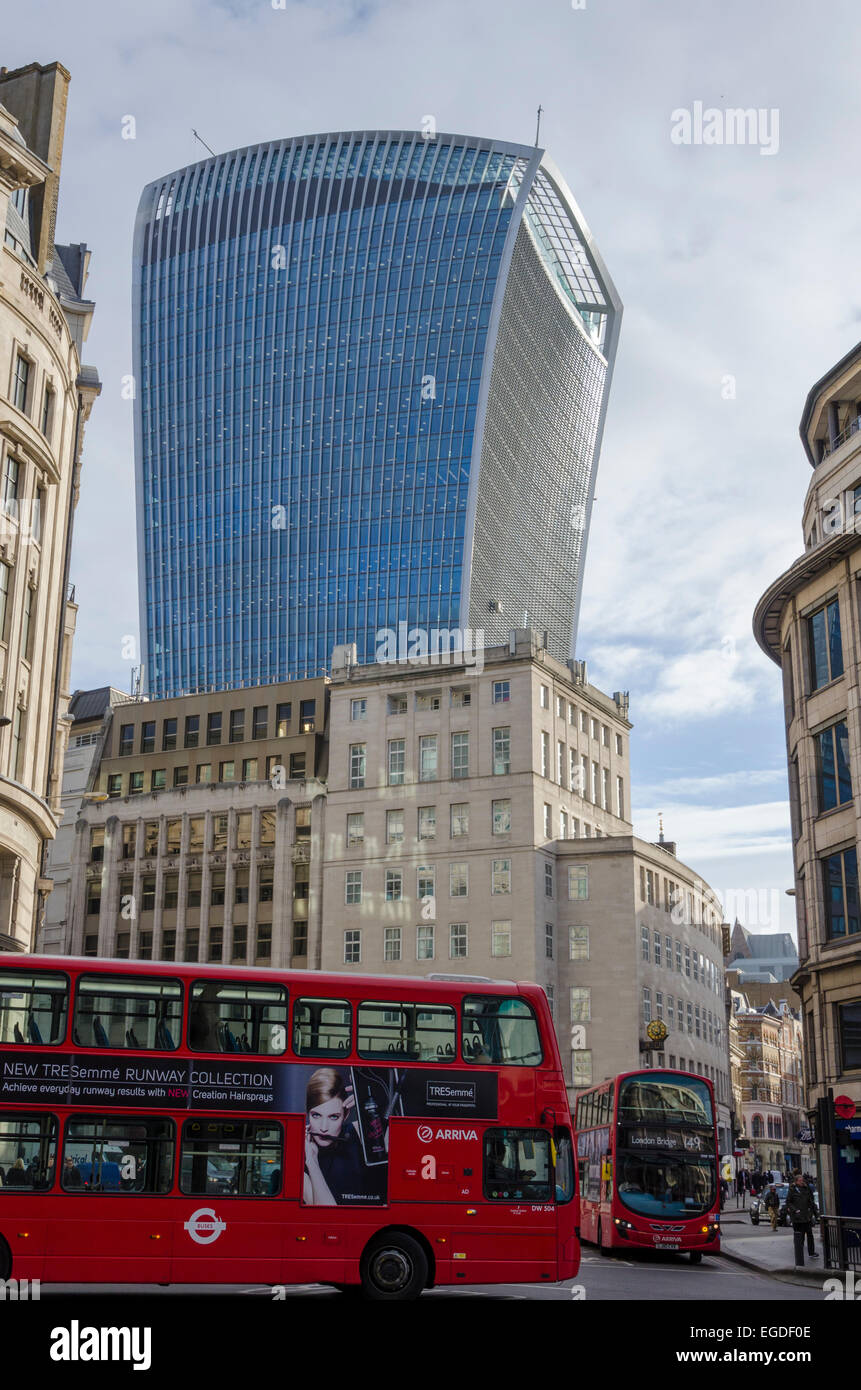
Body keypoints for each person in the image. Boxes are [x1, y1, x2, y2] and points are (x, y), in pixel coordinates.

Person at [302, 1068, 385, 1207]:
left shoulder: (361, 1131)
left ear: (345, 1115)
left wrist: (373, 1104)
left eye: (333, 1117)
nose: (323, 1128)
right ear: (308, 1113)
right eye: (316, 1115)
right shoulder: (301, 1156)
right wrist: (311, 1161)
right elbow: (325, 1214)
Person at [786, 1171, 817, 1266]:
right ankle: (799, 1253)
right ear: (796, 1181)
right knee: (800, 1236)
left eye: (802, 1180)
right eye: (800, 1180)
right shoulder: (792, 1189)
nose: (802, 1182)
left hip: (806, 1216)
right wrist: (795, 1210)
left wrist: (813, 1212)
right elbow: (789, 1202)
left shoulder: (806, 1188)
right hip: (797, 1217)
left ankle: (812, 1252)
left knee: (810, 1234)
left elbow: (811, 1201)